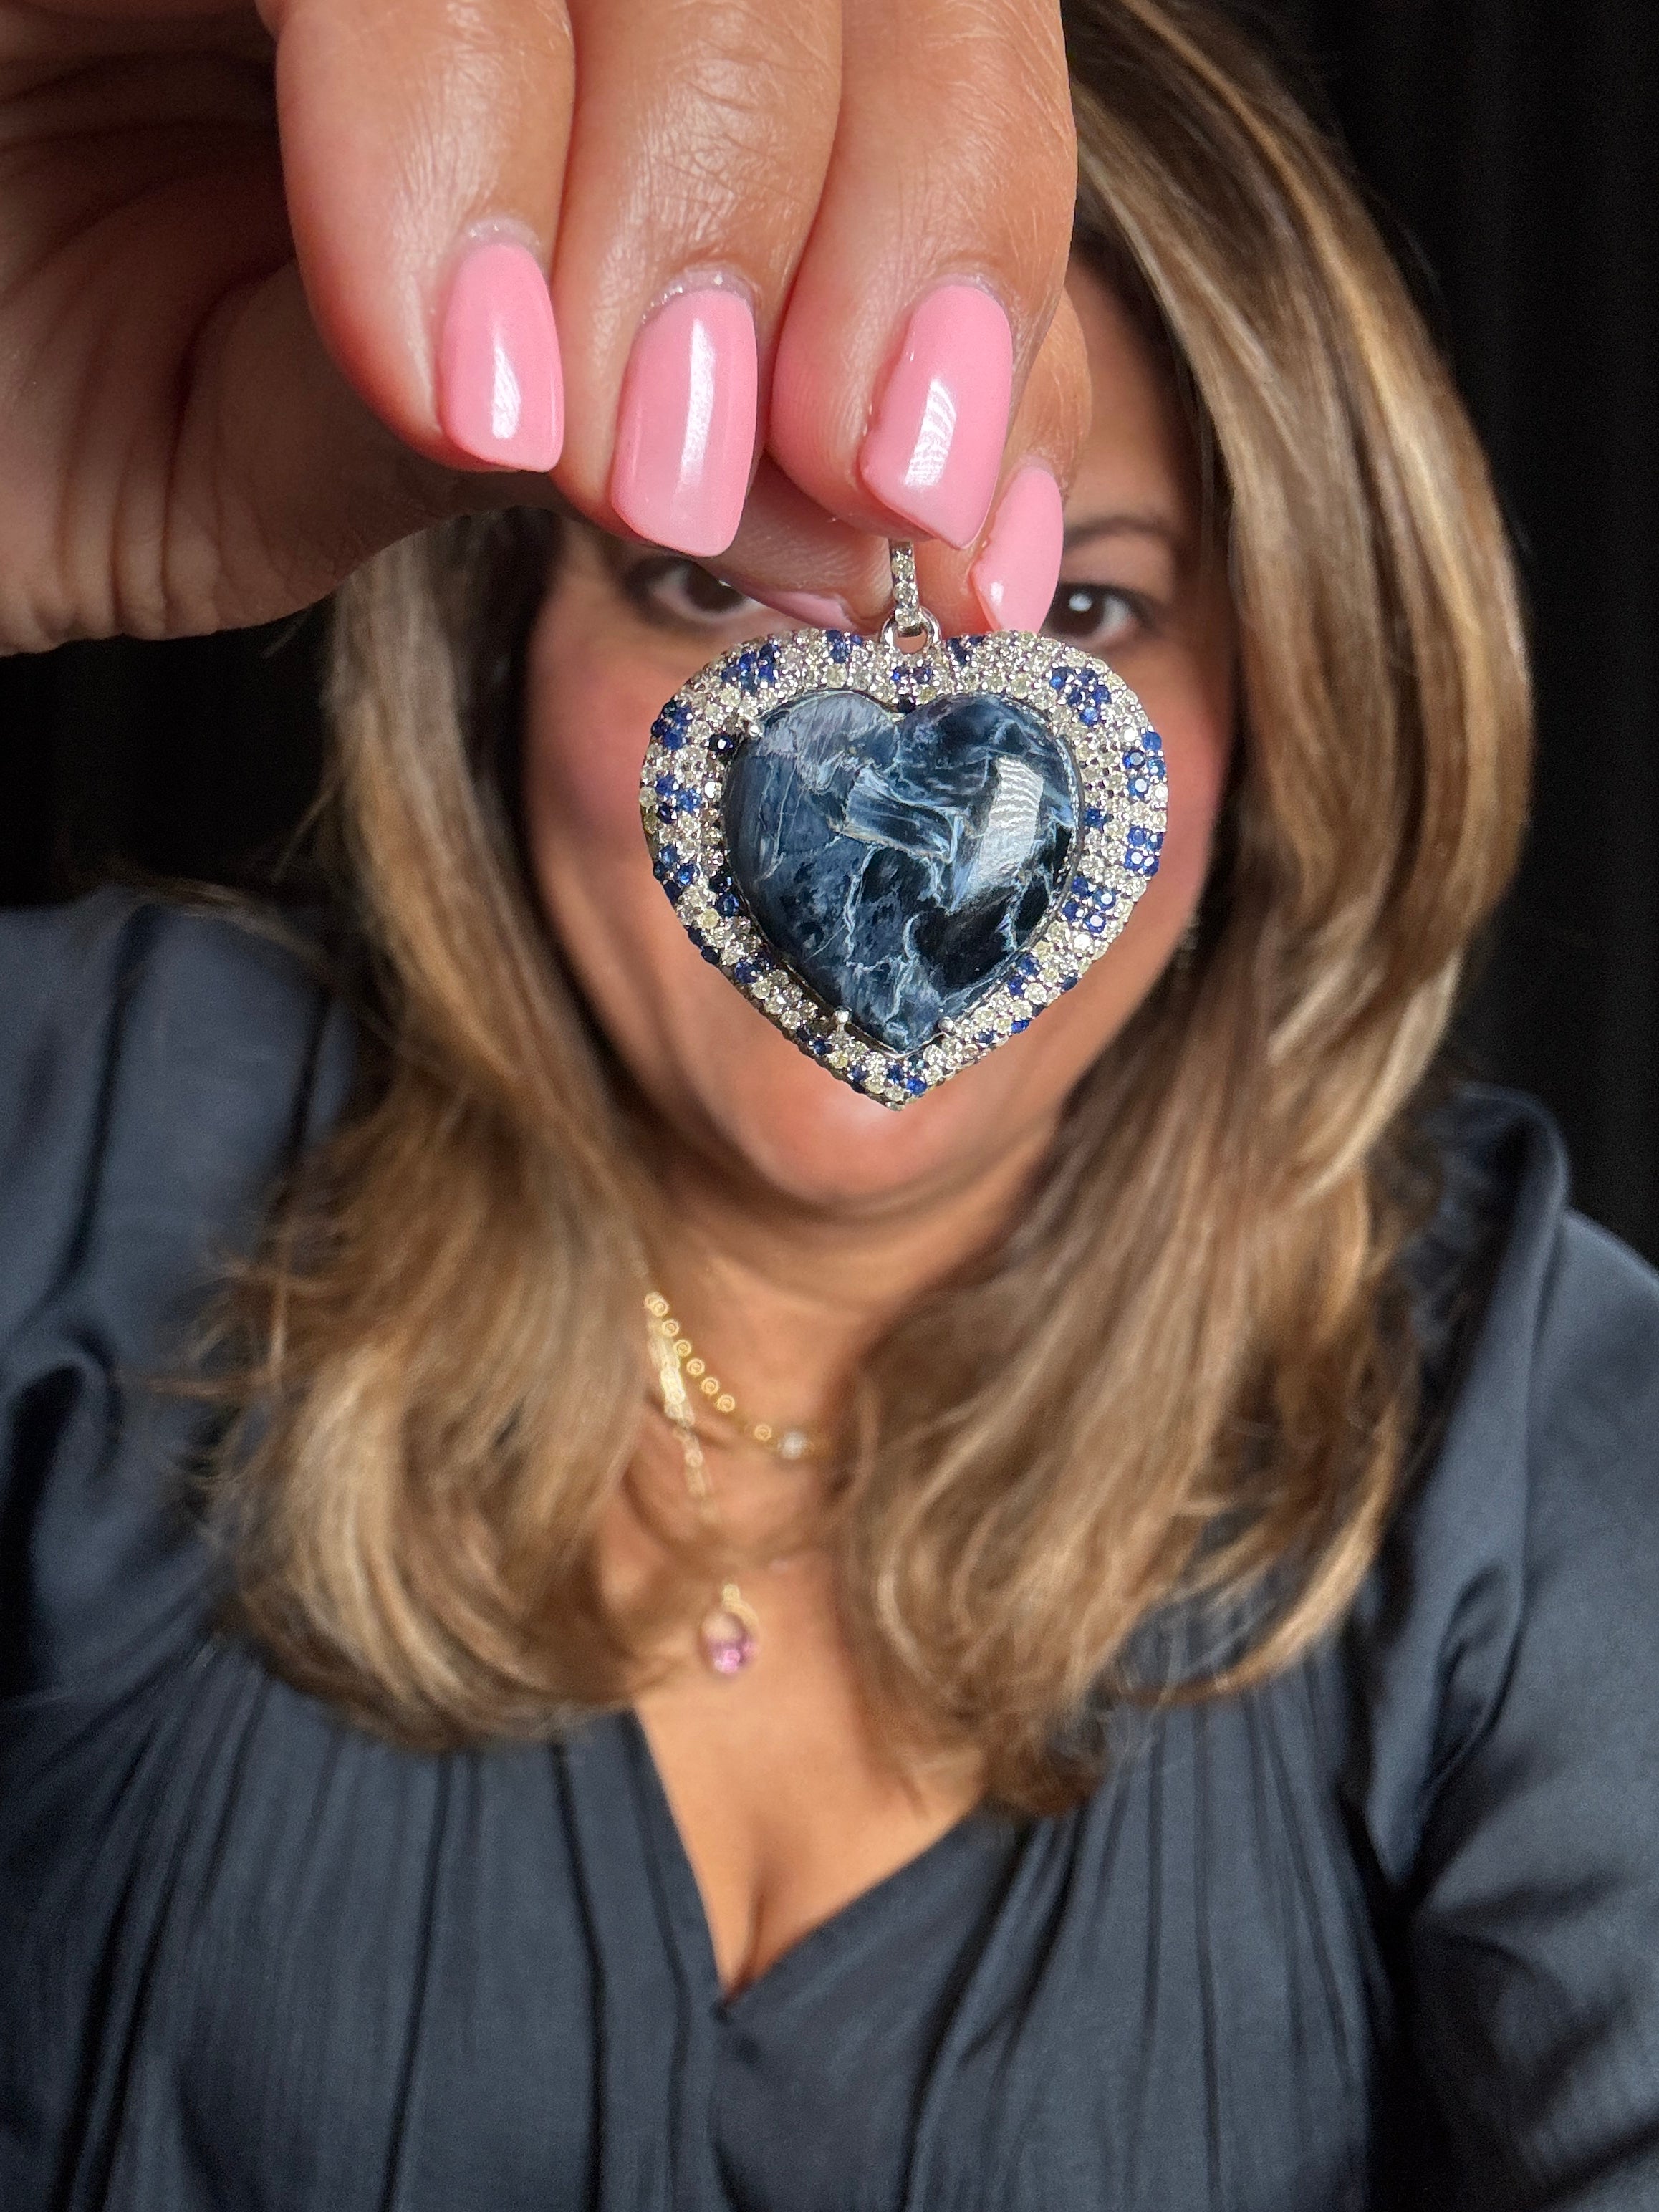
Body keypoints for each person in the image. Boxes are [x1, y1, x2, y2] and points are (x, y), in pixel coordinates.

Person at [3, 0, 1658, 2206]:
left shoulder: (1515, 1426)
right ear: (495, 662)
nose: (892, 774)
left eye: (1083, 606)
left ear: (1280, 713)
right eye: (705, 585)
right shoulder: (98, 1124)